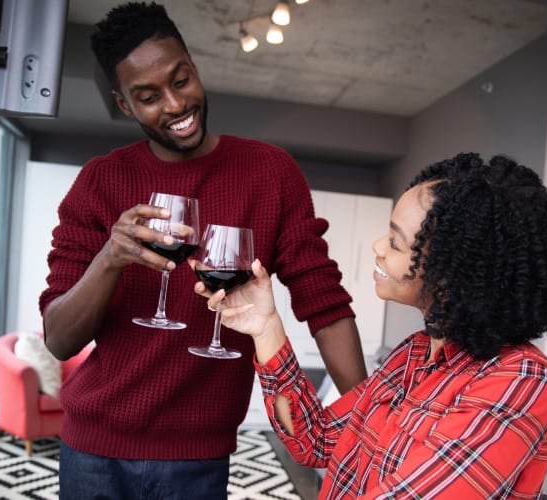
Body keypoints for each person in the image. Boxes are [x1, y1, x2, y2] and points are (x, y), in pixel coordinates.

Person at [38, 1, 367, 498]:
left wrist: (365, 417)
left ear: (195, 67)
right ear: (125, 105)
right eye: (148, 96)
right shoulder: (99, 181)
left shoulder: (270, 173)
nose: (173, 105)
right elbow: (60, 339)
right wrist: (111, 256)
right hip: (93, 449)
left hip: (197, 455)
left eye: (181, 80)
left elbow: (323, 300)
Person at [199, 153, 547, 499]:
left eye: (396, 244)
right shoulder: (412, 354)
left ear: (452, 272)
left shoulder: (521, 380)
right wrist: (266, 327)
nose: (378, 246)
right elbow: (315, 441)